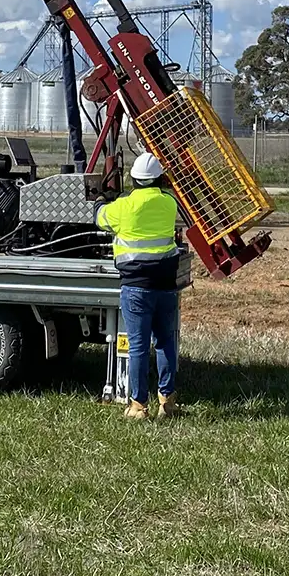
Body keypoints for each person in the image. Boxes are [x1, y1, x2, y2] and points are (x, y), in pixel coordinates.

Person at [97, 151, 183, 420]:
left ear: (133, 179)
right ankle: (166, 402)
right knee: (166, 342)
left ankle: (137, 406)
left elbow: (100, 218)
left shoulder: (123, 206)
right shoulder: (169, 203)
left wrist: (102, 199)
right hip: (166, 284)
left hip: (135, 287)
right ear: (158, 179)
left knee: (137, 346)